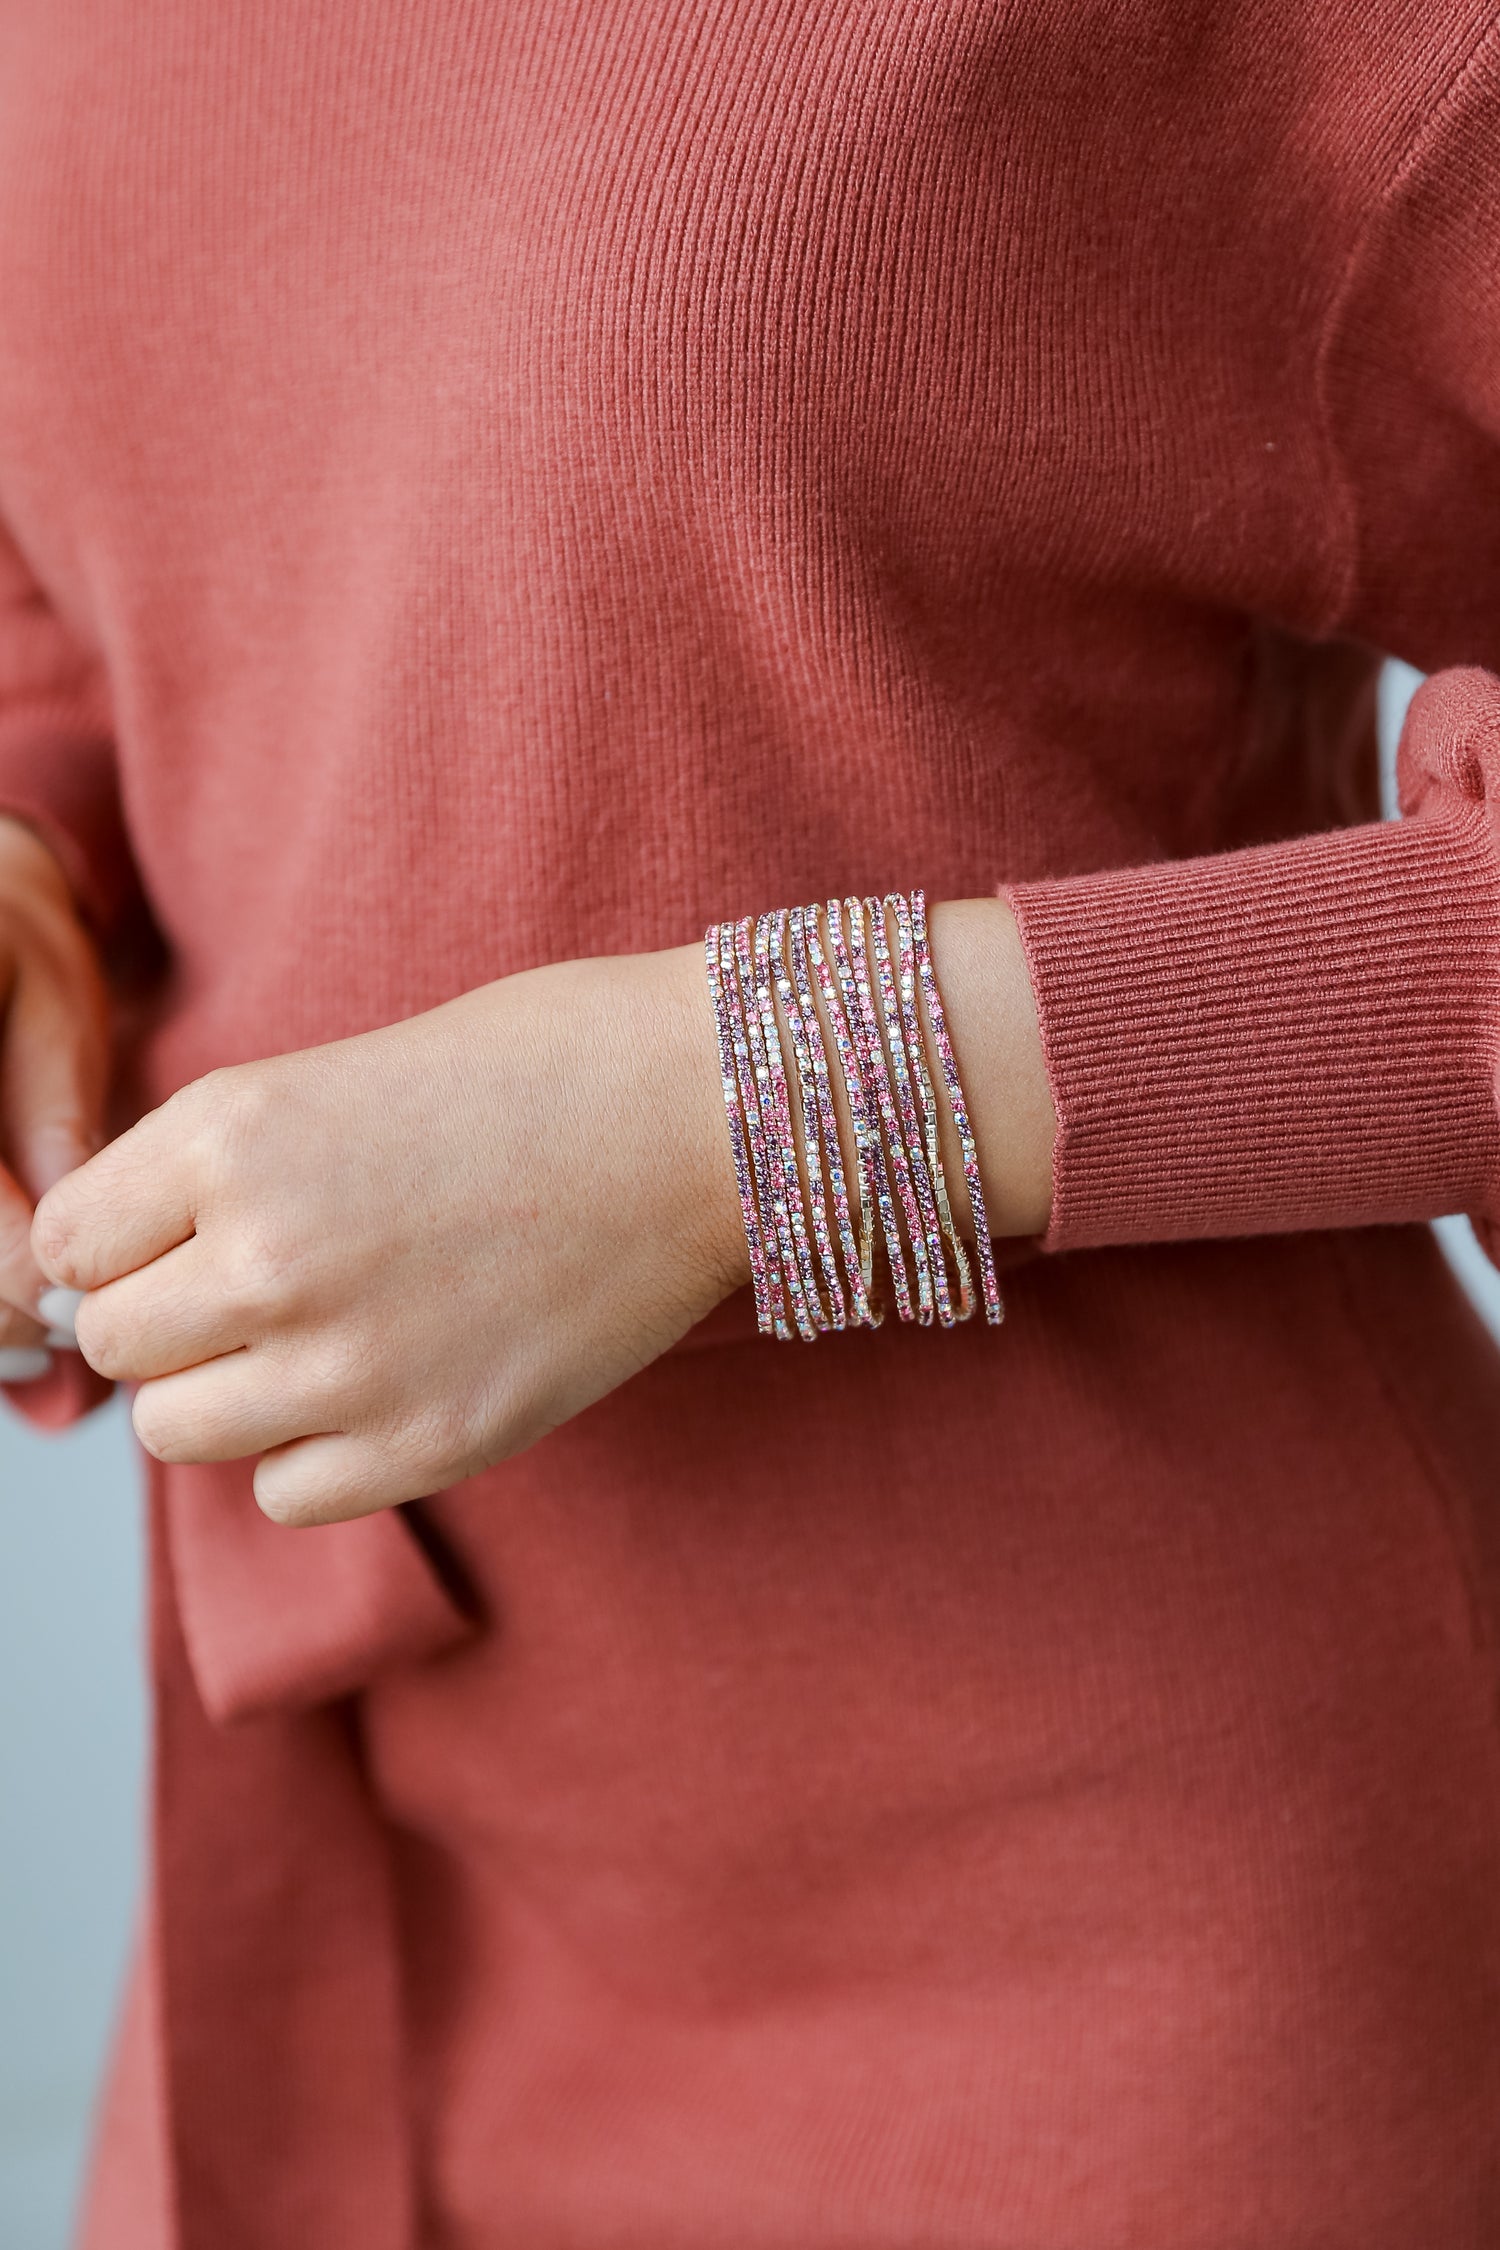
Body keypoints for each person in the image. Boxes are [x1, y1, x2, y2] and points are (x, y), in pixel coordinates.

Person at [2, 1, 1500, 2242]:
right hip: (322, 1910)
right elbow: (104, 537)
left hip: (1106, 1952)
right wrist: (34, 854)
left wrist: (753, 1112)